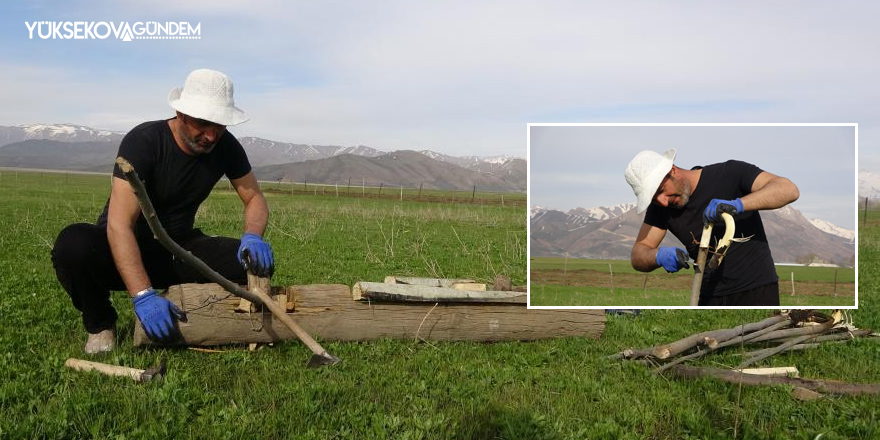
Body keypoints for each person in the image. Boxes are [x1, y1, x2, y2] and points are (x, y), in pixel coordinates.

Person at [52, 69, 275, 353]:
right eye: (203, 124)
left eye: (219, 126)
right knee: (73, 246)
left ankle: (201, 316)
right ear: (181, 114)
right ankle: (100, 325)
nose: (210, 136)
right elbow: (119, 225)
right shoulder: (144, 141)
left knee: (249, 263)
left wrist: (253, 236)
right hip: (122, 248)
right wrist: (143, 294)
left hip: (176, 250)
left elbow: (253, 197)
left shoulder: (227, 147)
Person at [624, 149, 799, 306]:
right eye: (654, 199)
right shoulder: (661, 208)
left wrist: (737, 205)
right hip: (708, 296)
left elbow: (788, 190)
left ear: (673, 170)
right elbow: (638, 254)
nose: (662, 201)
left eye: (661, 190)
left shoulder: (729, 173)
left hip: (757, 291)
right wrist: (658, 256)